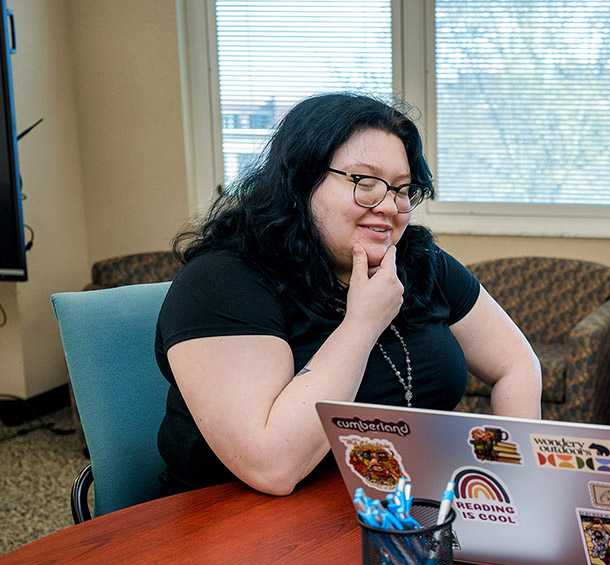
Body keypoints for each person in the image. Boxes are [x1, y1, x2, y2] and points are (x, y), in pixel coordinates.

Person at [156, 93, 541, 496]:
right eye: (365, 182)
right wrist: (362, 324)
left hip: (393, 503)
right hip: (234, 522)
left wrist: (511, 482)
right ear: (301, 180)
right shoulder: (222, 281)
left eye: (402, 189)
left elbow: (516, 362)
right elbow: (272, 467)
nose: (389, 206)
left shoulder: (419, 261)